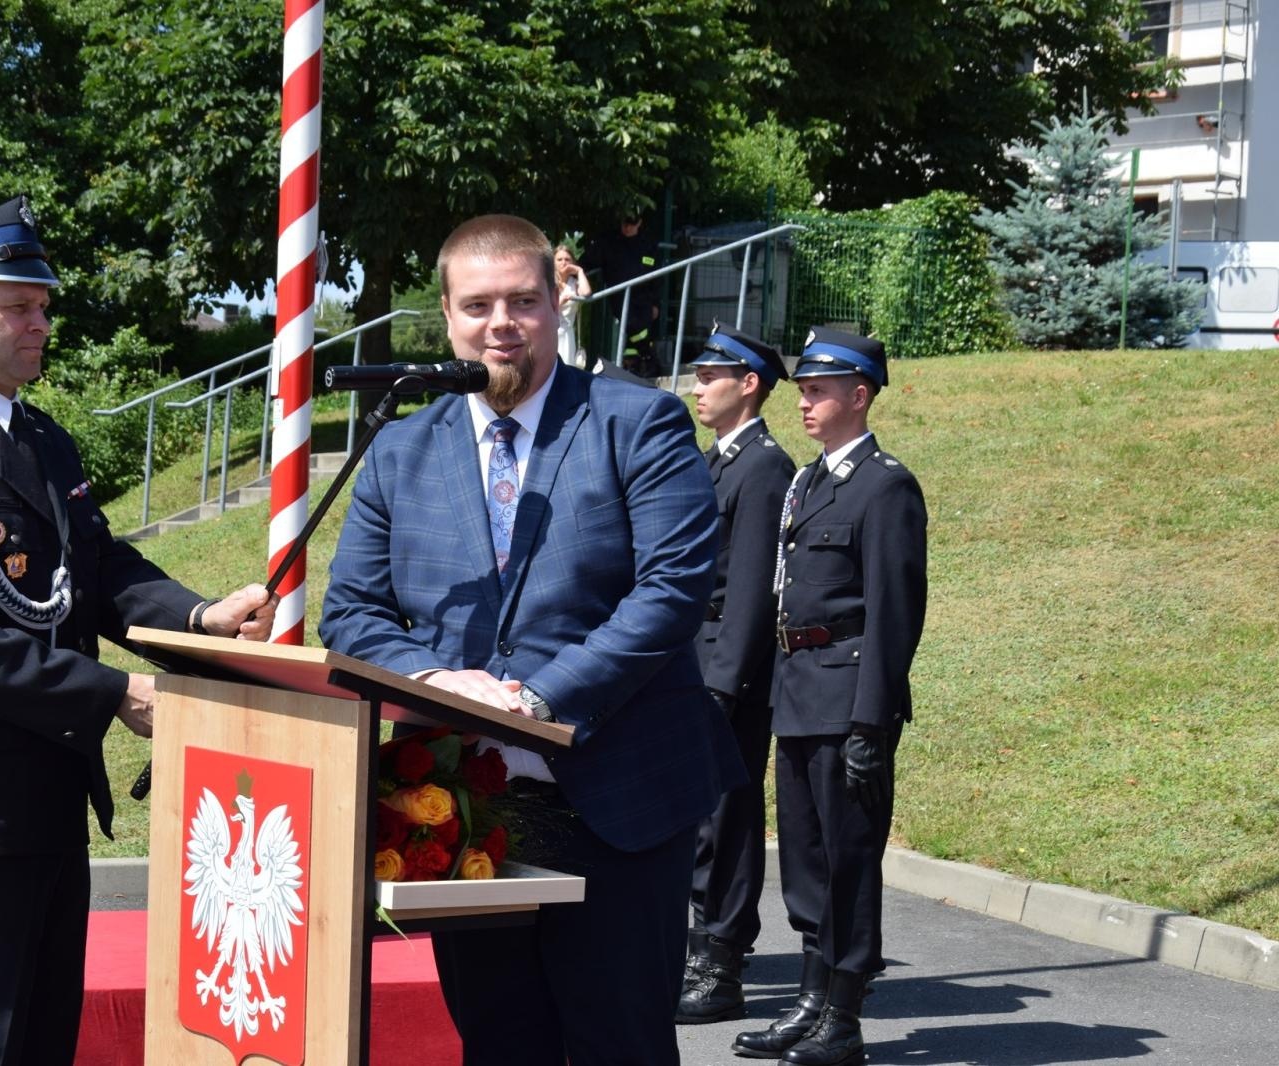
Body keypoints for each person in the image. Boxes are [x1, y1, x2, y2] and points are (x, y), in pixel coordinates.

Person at [0, 195, 277, 1066]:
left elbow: (98, 570)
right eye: (17, 307)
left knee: (41, 1039)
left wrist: (198, 617)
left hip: (49, 789)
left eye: (43, 306)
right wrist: (115, 693)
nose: (40, 322)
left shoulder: (44, 440)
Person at [319, 214, 743, 1066]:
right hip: (465, 802)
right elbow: (353, 615)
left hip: (617, 793)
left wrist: (539, 698)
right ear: (446, 316)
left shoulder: (641, 423)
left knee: (618, 1044)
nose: (500, 323)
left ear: (558, 304)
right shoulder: (401, 449)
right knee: (500, 1042)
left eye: (522, 300)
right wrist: (441, 680)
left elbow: (672, 590)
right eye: (478, 305)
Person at [732, 326, 926, 1065]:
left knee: (848, 857)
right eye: (804, 390)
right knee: (809, 859)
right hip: (799, 692)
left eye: (818, 391)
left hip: (848, 699)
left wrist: (871, 722)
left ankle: (842, 1016)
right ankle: (812, 1001)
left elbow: (894, 613)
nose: (805, 403)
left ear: (859, 394)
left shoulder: (885, 486)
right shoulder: (810, 482)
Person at [678, 326, 795, 1025]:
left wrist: (722, 685)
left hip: (729, 667)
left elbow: (753, 588)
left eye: (710, 374)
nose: (697, 385)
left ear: (748, 384)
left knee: (727, 816)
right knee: (697, 818)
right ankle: (695, 946)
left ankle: (720, 961)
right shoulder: (717, 461)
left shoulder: (763, 467)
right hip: (694, 658)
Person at [580, 214, 661, 376]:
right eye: (625, 223)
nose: (628, 227)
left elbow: (657, 276)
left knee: (635, 331)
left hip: (643, 298)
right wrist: (575, 270)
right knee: (633, 327)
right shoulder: (610, 242)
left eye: (632, 224)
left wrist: (655, 303)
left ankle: (635, 364)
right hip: (620, 296)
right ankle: (648, 356)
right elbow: (588, 261)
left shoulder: (648, 244)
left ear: (640, 223)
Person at [553, 243, 592, 367]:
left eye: (567, 259)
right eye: (559, 259)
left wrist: (579, 271)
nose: (563, 263)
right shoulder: (547, 282)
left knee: (566, 371)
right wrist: (561, 301)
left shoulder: (574, 283)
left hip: (567, 335)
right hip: (549, 334)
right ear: (553, 262)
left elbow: (586, 293)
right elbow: (543, 310)